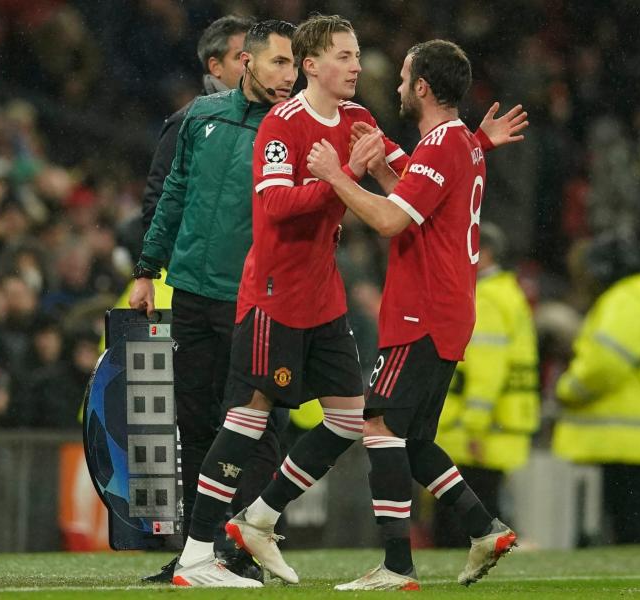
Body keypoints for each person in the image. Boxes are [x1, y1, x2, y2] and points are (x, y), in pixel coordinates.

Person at [167, 15, 528, 589]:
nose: (358, 65)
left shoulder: (360, 119)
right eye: (344, 54)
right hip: (275, 293)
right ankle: (195, 554)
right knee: (248, 417)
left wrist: (469, 144)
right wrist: (338, 178)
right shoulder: (282, 125)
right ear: (314, 65)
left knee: (348, 418)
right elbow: (277, 207)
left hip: (324, 298)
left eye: (358, 54)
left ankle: (259, 520)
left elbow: (412, 177)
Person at [304, 39, 527, 591]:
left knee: (378, 424)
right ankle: (483, 528)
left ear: (423, 87)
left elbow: (390, 221)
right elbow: (419, 199)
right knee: (415, 439)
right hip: (447, 308)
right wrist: (384, 164)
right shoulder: (458, 143)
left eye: (405, 78)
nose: (399, 86)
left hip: (422, 311)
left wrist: (337, 176)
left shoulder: (445, 144)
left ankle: (397, 565)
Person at [128, 19, 298, 583]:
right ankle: (199, 551)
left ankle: (246, 544)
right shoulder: (199, 117)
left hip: (253, 299)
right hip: (194, 294)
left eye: (294, 64)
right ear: (246, 63)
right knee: (195, 423)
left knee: (253, 424)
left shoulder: (293, 128)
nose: (289, 75)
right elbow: (170, 196)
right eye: (279, 62)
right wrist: (147, 270)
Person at [552, 232, 640, 544]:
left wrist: (567, 390)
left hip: (629, 445)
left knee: (631, 536)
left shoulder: (627, 298)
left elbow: (605, 365)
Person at [434, 222, 539, 547]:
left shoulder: (487, 298)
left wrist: (475, 426)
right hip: (497, 424)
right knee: (482, 509)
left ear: (486, 253)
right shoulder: (508, 293)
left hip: (475, 431)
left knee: (458, 524)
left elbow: (485, 368)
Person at [140, 15, 254, 233]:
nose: (251, 65)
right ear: (216, 66)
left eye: (255, 55)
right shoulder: (186, 123)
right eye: (240, 56)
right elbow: (157, 210)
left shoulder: (270, 121)